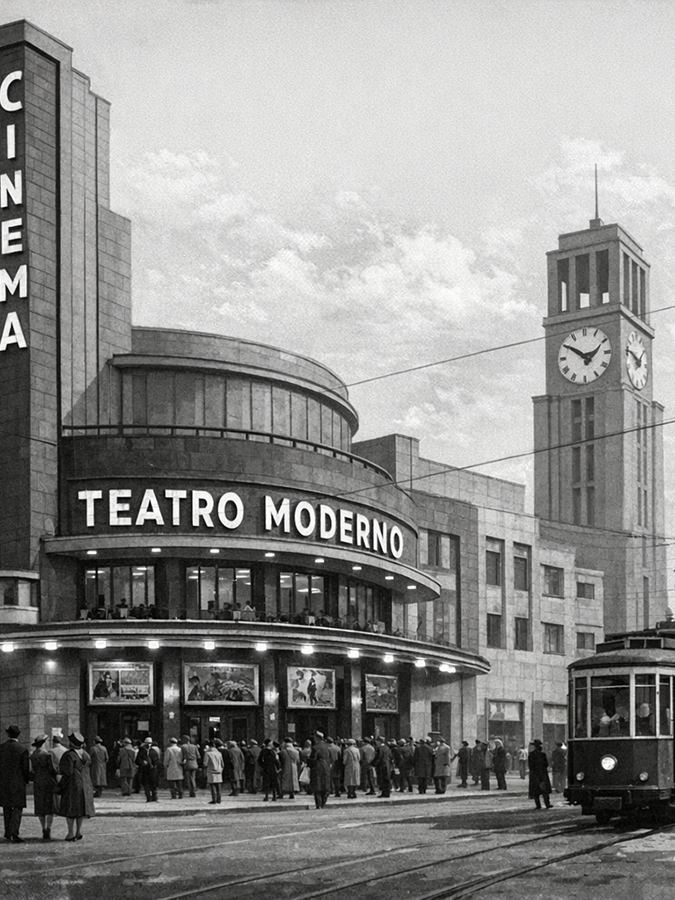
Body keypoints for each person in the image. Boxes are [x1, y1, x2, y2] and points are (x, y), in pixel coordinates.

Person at [58, 732, 95, 841]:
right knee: (81, 811)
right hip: (85, 785)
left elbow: (67, 772)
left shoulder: (69, 755)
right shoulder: (86, 754)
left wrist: (59, 786)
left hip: (73, 785)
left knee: (71, 810)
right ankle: (78, 831)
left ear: (71, 743)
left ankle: (70, 833)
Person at [0, 724, 30, 843]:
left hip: (3, 783)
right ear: (19, 735)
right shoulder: (22, 750)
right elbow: (25, 769)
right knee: (17, 808)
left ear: (8, 734)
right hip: (18, 783)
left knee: (6, 808)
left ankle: (7, 832)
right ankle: (14, 833)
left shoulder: (1, 748)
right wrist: (26, 780)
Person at [30, 733, 57, 840]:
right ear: (44, 743)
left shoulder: (32, 756)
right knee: (49, 806)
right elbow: (52, 770)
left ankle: (43, 828)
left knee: (40, 805)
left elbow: (31, 771)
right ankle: (48, 828)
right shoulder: (47, 755)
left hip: (37, 781)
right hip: (48, 781)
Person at [308, 731, 332, 809]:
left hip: (317, 768)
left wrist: (309, 764)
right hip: (326, 768)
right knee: (325, 786)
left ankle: (318, 804)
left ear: (316, 738)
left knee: (317, 787)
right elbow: (330, 758)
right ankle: (323, 803)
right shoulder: (327, 747)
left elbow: (313, 759)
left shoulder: (315, 747)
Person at [528, 739, 552, 810]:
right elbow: (546, 764)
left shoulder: (531, 755)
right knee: (544, 790)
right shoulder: (543, 755)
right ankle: (547, 804)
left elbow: (531, 766)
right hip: (542, 774)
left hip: (535, 774)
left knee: (536, 791)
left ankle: (538, 805)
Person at [137, 736, 161, 802]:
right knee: (153, 784)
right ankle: (154, 797)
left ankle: (148, 798)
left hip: (144, 770)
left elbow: (137, 761)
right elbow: (157, 761)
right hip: (153, 770)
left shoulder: (141, 751)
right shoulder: (154, 751)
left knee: (146, 784)